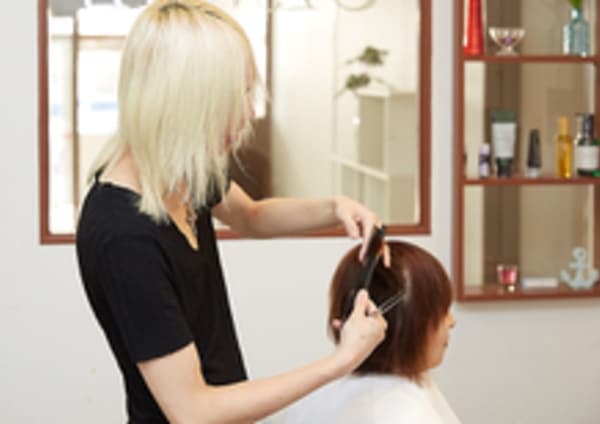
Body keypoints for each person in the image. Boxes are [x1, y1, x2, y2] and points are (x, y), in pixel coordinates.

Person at [75, 1, 389, 423]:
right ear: (184, 100)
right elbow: (193, 411)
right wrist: (341, 361)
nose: (249, 114)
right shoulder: (124, 238)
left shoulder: (182, 173)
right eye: (235, 98)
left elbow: (251, 216)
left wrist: (335, 207)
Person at [282, 241, 461, 423]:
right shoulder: (409, 416)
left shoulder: (308, 399)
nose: (452, 322)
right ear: (403, 325)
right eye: (442, 311)